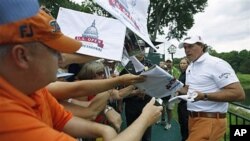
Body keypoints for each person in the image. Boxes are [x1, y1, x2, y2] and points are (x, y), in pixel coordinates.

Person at [0, 1, 163, 140]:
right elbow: (81, 96)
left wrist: (104, 129)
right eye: (54, 50)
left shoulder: (35, 91)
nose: (62, 58)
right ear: (22, 56)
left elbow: (67, 121)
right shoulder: (6, 116)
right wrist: (145, 119)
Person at [178, 35, 245, 141]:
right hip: (192, 118)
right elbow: (187, 90)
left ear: (201, 46)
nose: (187, 50)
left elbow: (239, 93)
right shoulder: (191, 66)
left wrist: (204, 96)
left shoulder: (216, 63)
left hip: (209, 119)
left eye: (190, 46)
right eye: (185, 47)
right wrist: (174, 86)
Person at [121, 36, 153, 141]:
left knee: (146, 135)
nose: (140, 51)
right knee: (131, 133)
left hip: (146, 104)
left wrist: (147, 91)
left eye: (142, 48)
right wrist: (134, 92)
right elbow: (119, 89)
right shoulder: (126, 66)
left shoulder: (152, 66)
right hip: (131, 104)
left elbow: (156, 85)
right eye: (138, 48)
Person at [158, 59, 180, 130]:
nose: (168, 64)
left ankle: (169, 123)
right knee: (162, 106)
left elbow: (176, 80)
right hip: (163, 92)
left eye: (169, 62)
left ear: (172, 63)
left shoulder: (175, 71)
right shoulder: (163, 70)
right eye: (167, 62)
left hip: (171, 93)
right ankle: (163, 120)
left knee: (169, 108)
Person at [177, 57, 190, 141]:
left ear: (188, 64)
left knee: (186, 124)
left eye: (184, 63)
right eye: (181, 63)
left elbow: (186, 90)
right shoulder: (182, 74)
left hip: (186, 103)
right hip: (180, 101)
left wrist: (177, 89)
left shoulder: (189, 75)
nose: (182, 65)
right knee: (181, 122)